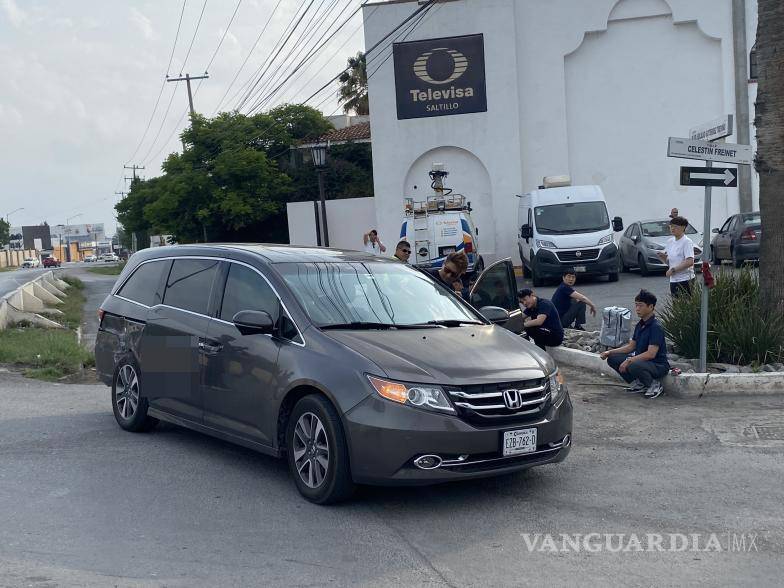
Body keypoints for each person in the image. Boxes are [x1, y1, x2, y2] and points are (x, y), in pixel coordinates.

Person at [600, 289, 669, 399]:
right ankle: (639, 383)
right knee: (613, 358)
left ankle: (654, 385)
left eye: (640, 306)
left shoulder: (656, 327)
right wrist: (609, 352)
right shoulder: (640, 325)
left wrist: (629, 360)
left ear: (650, 307)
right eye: (636, 305)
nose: (637, 309)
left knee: (633, 364)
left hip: (657, 365)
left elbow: (651, 354)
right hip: (643, 362)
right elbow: (631, 347)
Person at [656, 216, 695, 297]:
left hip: (686, 279)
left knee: (686, 305)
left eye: (675, 227)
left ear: (683, 227)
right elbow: (669, 262)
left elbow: (689, 261)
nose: (672, 229)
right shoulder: (670, 242)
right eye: (671, 226)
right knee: (676, 306)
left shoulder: (687, 242)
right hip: (673, 280)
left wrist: (673, 270)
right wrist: (662, 257)